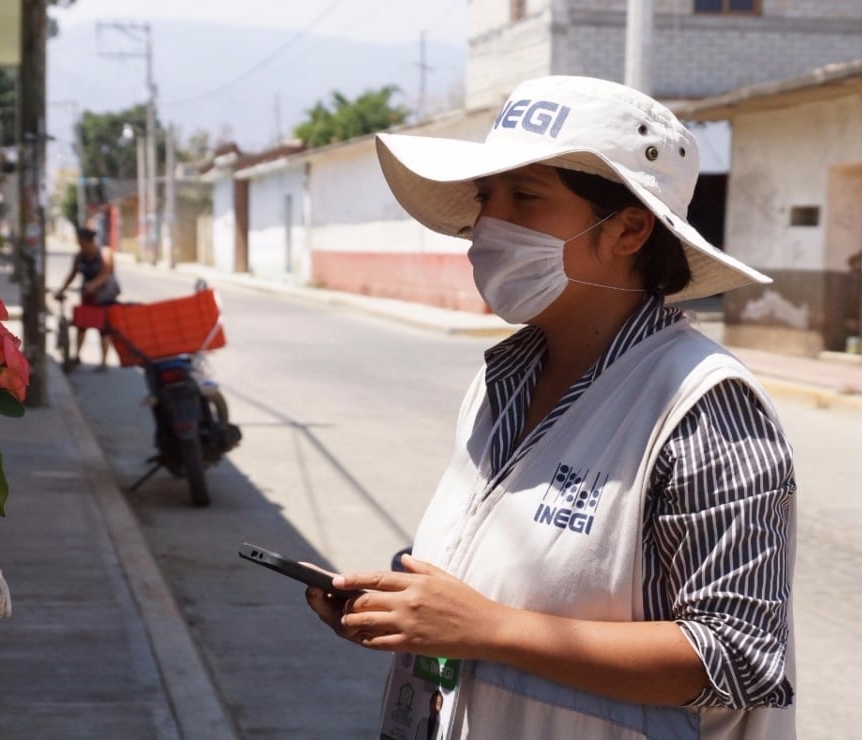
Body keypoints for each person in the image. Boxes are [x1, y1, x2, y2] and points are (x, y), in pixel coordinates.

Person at [305, 76, 797, 739]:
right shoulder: (501, 380)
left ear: (626, 229)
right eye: (486, 198)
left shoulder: (701, 406)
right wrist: (406, 606)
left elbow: (739, 657)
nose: (488, 224)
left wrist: (489, 629)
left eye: (525, 198)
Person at [56, 226, 121, 371]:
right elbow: (72, 274)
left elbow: (106, 273)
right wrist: (63, 288)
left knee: (103, 329)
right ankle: (77, 356)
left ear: (89, 241)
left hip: (105, 296)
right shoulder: (79, 256)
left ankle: (104, 362)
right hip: (88, 296)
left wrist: (93, 285)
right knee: (81, 326)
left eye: (82, 243)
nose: (81, 246)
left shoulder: (105, 253)